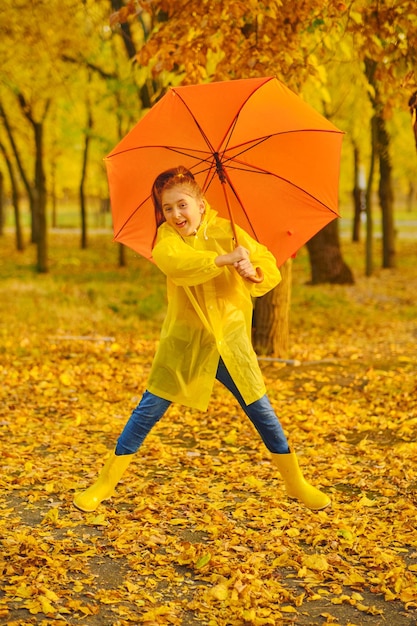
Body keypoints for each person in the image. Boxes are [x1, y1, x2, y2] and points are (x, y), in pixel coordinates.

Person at [73, 166, 330, 513]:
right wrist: (223, 259)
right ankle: (104, 483)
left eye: (182, 205)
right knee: (147, 412)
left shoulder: (230, 232)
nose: (175, 214)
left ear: (201, 204)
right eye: (167, 208)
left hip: (230, 342)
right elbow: (176, 263)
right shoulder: (167, 239)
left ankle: (296, 482)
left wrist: (252, 272)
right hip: (186, 343)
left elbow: (268, 264)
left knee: (262, 411)